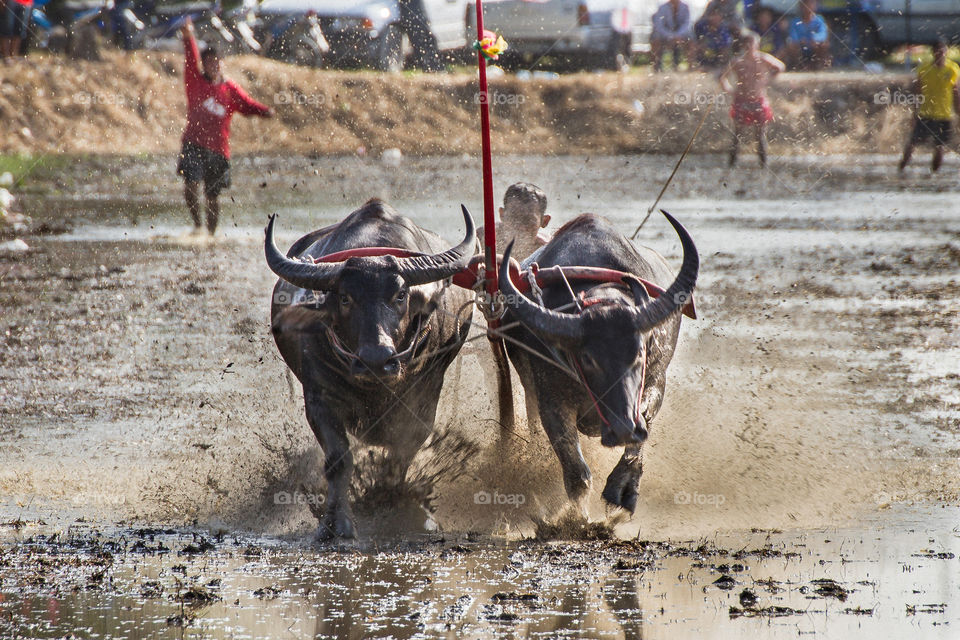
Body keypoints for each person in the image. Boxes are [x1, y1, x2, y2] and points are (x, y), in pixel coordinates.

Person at [177, 16, 273, 235]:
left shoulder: (230, 89)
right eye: (208, 61)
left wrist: (265, 111)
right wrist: (188, 35)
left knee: (212, 196)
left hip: (219, 150)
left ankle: (211, 235)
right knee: (191, 186)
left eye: (216, 61)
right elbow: (191, 58)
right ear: (205, 65)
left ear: (221, 63)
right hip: (193, 142)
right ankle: (197, 226)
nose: (212, 64)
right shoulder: (195, 80)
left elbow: (247, 105)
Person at [720, 31, 784, 166]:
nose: (750, 47)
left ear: (757, 45)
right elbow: (722, 77)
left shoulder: (763, 59)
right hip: (742, 100)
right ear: (743, 45)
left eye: (752, 43)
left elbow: (780, 67)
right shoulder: (737, 61)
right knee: (737, 133)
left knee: (760, 134)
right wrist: (730, 90)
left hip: (759, 98)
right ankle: (732, 163)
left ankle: (763, 164)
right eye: (747, 44)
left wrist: (767, 80)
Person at [899, 40, 960, 173]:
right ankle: (901, 169)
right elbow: (917, 93)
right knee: (912, 143)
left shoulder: (952, 69)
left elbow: (955, 92)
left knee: (939, 147)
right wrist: (914, 114)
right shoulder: (924, 69)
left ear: (946, 52)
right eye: (938, 52)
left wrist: (958, 112)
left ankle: (934, 174)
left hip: (944, 115)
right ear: (933, 53)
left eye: (943, 52)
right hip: (925, 113)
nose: (940, 55)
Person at [478, 183, 551, 260]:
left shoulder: (546, 250)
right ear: (502, 215)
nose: (520, 227)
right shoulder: (483, 238)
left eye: (528, 220)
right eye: (514, 217)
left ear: (544, 221)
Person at [783, 0, 830, 70]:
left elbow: (823, 33)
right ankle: (799, 66)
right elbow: (792, 35)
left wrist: (815, 39)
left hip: (814, 46)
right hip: (800, 47)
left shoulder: (819, 19)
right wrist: (800, 40)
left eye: (811, 4)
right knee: (791, 45)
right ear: (801, 7)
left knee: (823, 44)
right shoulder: (795, 21)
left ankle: (818, 65)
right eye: (806, 4)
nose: (808, 7)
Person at [650, 0, 694, 72]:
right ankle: (656, 67)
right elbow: (659, 26)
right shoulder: (662, 8)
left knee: (691, 40)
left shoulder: (685, 7)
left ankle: (691, 67)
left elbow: (687, 24)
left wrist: (677, 35)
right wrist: (671, 36)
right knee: (655, 39)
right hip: (665, 36)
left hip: (681, 36)